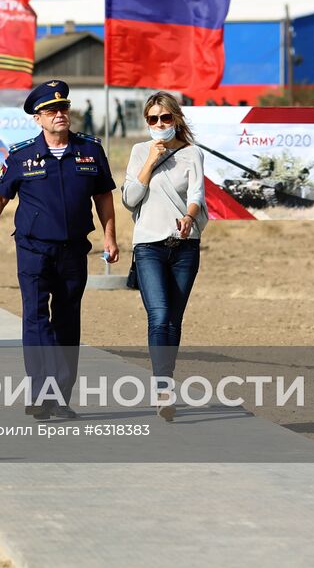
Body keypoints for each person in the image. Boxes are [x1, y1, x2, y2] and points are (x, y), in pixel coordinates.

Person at [0, 80, 119, 420]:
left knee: (67, 321)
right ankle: (39, 393)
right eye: (50, 110)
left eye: (63, 108)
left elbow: (104, 196)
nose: (59, 114)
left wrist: (110, 236)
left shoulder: (90, 151)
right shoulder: (22, 156)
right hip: (33, 249)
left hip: (74, 251)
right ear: (37, 118)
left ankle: (60, 399)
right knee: (36, 319)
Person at [121, 91, 206, 423]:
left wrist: (189, 216)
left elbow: (197, 194)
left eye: (165, 117)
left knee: (174, 319)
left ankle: (165, 380)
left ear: (176, 120)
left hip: (184, 246)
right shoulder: (139, 151)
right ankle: (162, 389)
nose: (159, 124)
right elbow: (130, 198)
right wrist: (150, 162)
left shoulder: (192, 154)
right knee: (159, 315)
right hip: (149, 246)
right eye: (152, 119)